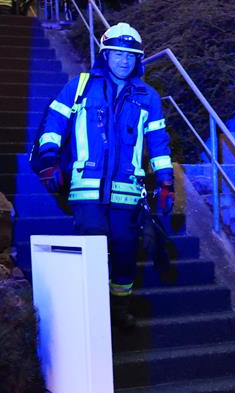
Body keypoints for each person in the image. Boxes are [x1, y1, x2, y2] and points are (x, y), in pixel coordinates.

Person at [32, 22, 174, 328]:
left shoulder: (148, 97)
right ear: (105, 55)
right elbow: (54, 123)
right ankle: (92, 309)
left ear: (138, 59)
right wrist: (48, 159)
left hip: (127, 191)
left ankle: (119, 308)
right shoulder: (80, 86)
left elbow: (158, 143)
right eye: (117, 53)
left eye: (130, 55)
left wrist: (166, 181)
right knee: (94, 243)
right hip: (86, 189)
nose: (124, 60)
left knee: (125, 249)